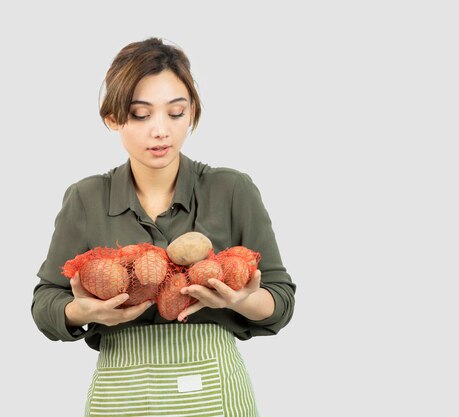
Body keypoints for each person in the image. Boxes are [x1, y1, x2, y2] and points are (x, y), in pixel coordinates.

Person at [31, 37, 296, 417]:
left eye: (176, 113)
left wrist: (241, 301)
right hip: (120, 396)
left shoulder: (232, 189)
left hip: (214, 393)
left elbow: (280, 299)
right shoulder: (85, 197)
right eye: (141, 114)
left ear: (191, 114)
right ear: (113, 118)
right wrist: (84, 312)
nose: (161, 131)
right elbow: (45, 302)